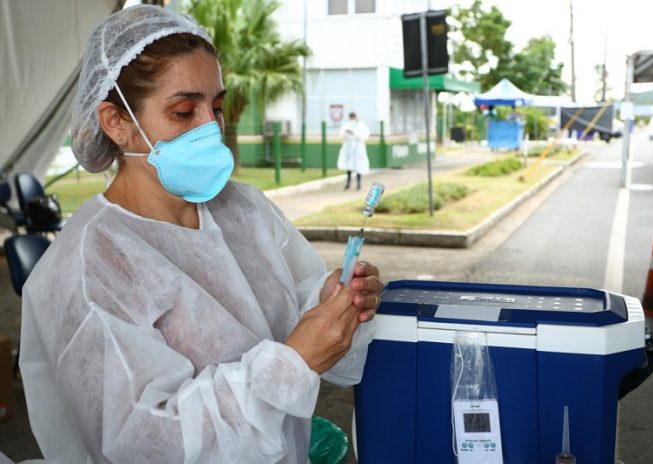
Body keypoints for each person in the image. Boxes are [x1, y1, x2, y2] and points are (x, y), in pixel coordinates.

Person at [19, 5, 382, 463]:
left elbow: (297, 313)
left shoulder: (244, 210)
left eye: (215, 107)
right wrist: (291, 365)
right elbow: (144, 444)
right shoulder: (89, 267)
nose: (210, 129)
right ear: (116, 122)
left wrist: (334, 301)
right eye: (183, 111)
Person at [337, 112, 370, 190]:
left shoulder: (361, 125)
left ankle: (358, 184)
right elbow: (341, 135)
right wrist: (346, 133)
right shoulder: (346, 125)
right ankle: (348, 183)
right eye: (351, 117)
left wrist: (354, 133)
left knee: (359, 165)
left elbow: (364, 136)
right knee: (349, 166)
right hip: (348, 146)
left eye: (353, 116)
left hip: (358, 146)